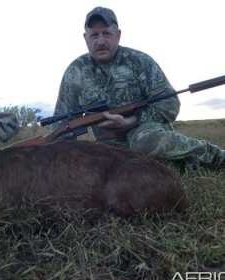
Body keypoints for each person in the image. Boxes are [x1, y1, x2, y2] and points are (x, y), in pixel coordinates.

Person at [53, 6, 225, 170]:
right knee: (90, 164)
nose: (100, 41)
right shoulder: (74, 72)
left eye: (106, 33)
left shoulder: (140, 62)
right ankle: (182, 162)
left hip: (145, 132)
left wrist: (133, 121)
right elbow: (62, 124)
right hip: (108, 145)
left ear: (118, 35)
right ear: (85, 38)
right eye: (94, 35)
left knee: (143, 142)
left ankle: (217, 157)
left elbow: (170, 103)